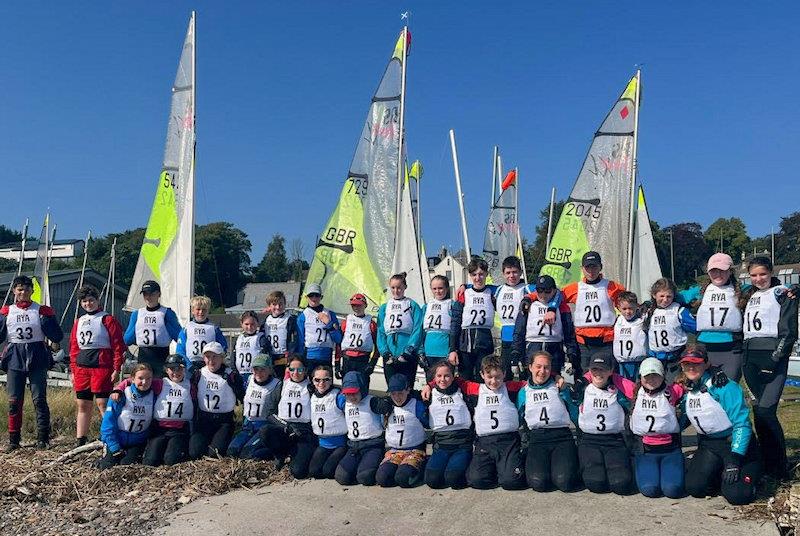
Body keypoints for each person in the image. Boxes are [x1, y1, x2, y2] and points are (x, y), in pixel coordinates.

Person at [679, 345, 761, 505]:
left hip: (735, 447)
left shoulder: (724, 386)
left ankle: (754, 471)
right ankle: (720, 474)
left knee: (738, 495)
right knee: (695, 488)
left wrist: (734, 460)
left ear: (706, 364)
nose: (691, 367)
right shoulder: (688, 388)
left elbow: (742, 425)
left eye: (696, 363)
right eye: (686, 363)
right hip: (710, 445)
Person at [740, 256, 798, 480]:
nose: (758, 279)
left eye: (762, 274)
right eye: (753, 275)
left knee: (767, 411)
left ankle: (780, 466)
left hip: (771, 354)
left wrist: (776, 358)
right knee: (758, 412)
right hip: (750, 356)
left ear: (771, 272)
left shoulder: (782, 292)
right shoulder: (750, 294)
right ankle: (766, 462)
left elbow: (789, 330)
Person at [0, 275, 64, 450]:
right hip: (15, 358)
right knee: (14, 401)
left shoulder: (40, 310)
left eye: (27, 289)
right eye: (20, 289)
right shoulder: (7, 312)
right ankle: (14, 440)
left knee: (39, 400)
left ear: (32, 291)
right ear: (14, 291)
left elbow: (57, 336)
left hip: (37, 357)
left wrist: (48, 319)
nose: (23, 292)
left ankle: (43, 438)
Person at [570, 351, 636, 495]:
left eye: (603, 369)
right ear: (589, 371)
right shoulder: (583, 391)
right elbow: (570, 406)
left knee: (621, 483)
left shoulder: (618, 390)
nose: (598, 373)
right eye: (595, 369)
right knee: (596, 483)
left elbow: (634, 400)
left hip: (614, 441)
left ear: (610, 371)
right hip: (589, 441)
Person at [112, 353, 196, 466]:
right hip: (159, 429)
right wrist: (118, 388)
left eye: (179, 368)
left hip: (180, 430)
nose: (176, 372)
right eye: (172, 369)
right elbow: (133, 381)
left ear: (184, 369)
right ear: (166, 370)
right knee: (150, 462)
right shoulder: (160, 383)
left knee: (171, 460)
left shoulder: (190, 386)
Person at [69, 284, 126, 448]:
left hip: (101, 367)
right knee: (83, 404)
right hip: (82, 368)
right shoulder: (78, 321)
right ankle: (81, 440)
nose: (88, 304)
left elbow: (117, 345)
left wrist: (117, 368)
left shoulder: (107, 319)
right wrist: (73, 370)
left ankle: (110, 437)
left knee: (103, 403)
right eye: (85, 301)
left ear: (97, 300)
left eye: (91, 300)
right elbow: (73, 347)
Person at [516, 350, 580, 492]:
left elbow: (575, 413)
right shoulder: (524, 392)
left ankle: (570, 464)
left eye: (546, 367)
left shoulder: (560, 387)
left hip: (562, 437)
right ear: (530, 367)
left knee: (565, 482)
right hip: (538, 439)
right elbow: (517, 419)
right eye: (538, 366)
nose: (542, 371)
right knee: (538, 483)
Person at [459, 356, 527, 490]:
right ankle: (497, 469)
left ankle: (513, 465)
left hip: (508, 441)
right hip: (485, 442)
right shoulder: (476, 389)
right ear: (482, 375)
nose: (494, 381)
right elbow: (456, 381)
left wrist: (556, 378)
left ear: (505, 374)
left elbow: (532, 383)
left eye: (498, 377)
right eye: (489, 377)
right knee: (477, 481)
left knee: (511, 482)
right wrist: (429, 385)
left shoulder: (511, 387)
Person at [680, 253, 744, 381]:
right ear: (708, 273)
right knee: (706, 389)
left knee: (729, 387)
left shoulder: (741, 290)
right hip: (704, 347)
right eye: (714, 271)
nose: (718, 274)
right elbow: (671, 296)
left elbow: (767, 290)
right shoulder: (700, 291)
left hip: (731, 348)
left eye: (722, 270)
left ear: (730, 271)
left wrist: (792, 289)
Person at [629, 357, 685, 498]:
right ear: (640, 376)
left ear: (663, 376)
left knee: (672, 490)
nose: (651, 379)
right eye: (647, 376)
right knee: (650, 490)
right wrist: (585, 380)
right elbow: (607, 374)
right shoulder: (633, 392)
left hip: (670, 450)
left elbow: (692, 377)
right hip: (646, 451)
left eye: (656, 375)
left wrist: (713, 371)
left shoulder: (672, 391)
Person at [562, 251, 625, 375]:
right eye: (587, 267)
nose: (591, 270)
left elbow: (630, 302)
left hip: (606, 341)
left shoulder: (611, 286)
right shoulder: (575, 288)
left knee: (608, 375)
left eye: (594, 266)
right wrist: (530, 298)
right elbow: (552, 296)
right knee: (585, 377)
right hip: (583, 343)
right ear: (582, 269)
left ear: (600, 267)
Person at [259, 355, 317, 478]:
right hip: (285, 428)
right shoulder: (282, 385)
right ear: (288, 370)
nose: (295, 373)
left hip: (304, 432)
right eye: (292, 369)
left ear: (306, 370)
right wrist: (286, 426)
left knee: (298, 472)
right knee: (265, 431)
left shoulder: (312, 387)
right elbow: (269, 413)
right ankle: (280, 455)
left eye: (300, 370)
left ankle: (296, 453)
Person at [513, 275, 577, 380]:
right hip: (532, 346)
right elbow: (519, 331)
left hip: (554, 348)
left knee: (553, 380)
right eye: (539, 290)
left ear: (553, 290)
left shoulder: (561, 307)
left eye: (547, 291)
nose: (543, 294)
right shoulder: (528, 305)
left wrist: (571, 355)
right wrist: (516, 355)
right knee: (530, 379)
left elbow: (569, 333)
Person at [421, 361, 473, 489]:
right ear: (434, 378)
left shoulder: (463, 390)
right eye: (439, 376)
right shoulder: (430, 394)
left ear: (453, 376)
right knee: (432, 481)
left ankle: (470, 465)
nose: (442, 379)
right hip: (441, 445)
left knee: (453, 479)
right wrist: (428, 385)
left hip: (462, 444)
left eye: (447, 376)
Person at [189, 342, 245, 459]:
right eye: (208, 357)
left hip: (224, 421)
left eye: (215, 356)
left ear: (222, 357)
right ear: (203, 358)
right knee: (195, 453)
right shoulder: (199, 374)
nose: (211, 360)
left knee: (215, 454)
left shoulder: (231, 375)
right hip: (204, 419)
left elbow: (243, 396)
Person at [375, 374, 429, 488]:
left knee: (403, 478)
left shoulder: (415, 405)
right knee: (382, 478)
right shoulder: (388, 406)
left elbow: (428, 423)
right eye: (393, 394)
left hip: (415, 449)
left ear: (408, 390)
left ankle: (421, 466)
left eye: (400, 393)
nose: (397, 397)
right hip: (394, 451)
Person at [97, 363, 154, 469]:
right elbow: (108, 423)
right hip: (117, 439)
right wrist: (114, 446)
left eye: (148, 378)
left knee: (127, 466)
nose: (144, 382)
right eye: (140, 378)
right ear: (132, 379)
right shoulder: (120, 396)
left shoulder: (154, 396)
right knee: (107, 466)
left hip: (137, 442)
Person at [335, 371, 386, 486]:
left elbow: (389, 407)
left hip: (372, 445)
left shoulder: (372, 401)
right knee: (341, 477)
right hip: (354, 447)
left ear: (362, 389)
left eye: (354, 393)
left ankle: (374, 464)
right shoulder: (345, 403)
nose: (351, 397)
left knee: (365, 478)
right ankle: (359, 466)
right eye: (348, 394)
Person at [450, 258, 497, 382]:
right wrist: (452, 349)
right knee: (465, 379)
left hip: (485, 341)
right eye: (474, 275)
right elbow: (455, 321)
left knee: (483, 378)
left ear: (486, 274)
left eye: (481, 274)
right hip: (465, 343)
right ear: (470, 275)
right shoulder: (464, 293)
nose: (478, 278)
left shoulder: (492, 292)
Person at [227, 353, 281, 459]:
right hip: (248, 425)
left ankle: (275, 450)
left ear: (270, 370)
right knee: (231, 452)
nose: (259, 373)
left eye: (263, 369)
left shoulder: (277, 385)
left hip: (264, 426)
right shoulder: (250, 379)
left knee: (248, 454)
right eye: (256, 369)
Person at [123, 280, 181, 377]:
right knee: (143, 385)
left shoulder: (166, 313)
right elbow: (128, 339)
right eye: (145, 294)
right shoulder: (137, 314)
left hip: (161, 356)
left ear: (158, 294)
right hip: (143, 355)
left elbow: (179, 336)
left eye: (151, 294)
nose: (148, 297)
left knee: (161, 386)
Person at [643, 278, 696, 382]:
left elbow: (696, 328)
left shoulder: (679, 311)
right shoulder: (649, 313)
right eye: (661, 296)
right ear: (654, 295)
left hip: (675, 358)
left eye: (669, 296)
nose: (665, 299)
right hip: (656, 358)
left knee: (674, 385)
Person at [377, 273, 424, 388]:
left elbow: (418, 329)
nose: (396, 290)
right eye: (393, 287)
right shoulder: (384, 307)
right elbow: (381, 333)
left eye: (399, 287)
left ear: (404, 287)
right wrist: (385, 352)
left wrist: (409, 350)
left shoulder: (413, 305)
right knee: (392, 389)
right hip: (390, 355)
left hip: (407, 355)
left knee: (407, 389)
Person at [493, 256, 532, 380]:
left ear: (520, 272)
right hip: (506, 339)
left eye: (515, 272)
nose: (512, 276)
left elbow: (553, 290)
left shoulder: (527, 288)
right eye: (508, 273)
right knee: (505, 375)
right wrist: (464, 286)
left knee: (524, 374)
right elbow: (478, 289)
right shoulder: (498, 290)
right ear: (503, 274)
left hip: (523, 338)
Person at [308, 365, 348, 479]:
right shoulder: (312, 396)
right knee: (314, 472)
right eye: (317, 380)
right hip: (323, 444)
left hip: (340, 444)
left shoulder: (338, 396)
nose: (321, 383)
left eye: (326, 380)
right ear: (312, 381)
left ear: (331, 380)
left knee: (328, 472)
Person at [336, 293, 379, 387]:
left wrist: (372, 363)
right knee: (347, 387)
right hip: (348, 360)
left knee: (362, 387)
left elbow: (377, 345)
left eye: (359, 305)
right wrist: (337, 364)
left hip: (363, 360)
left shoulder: (371, 323)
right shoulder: (346, 321)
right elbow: (338, 344)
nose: (356, 307)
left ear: (365, 305)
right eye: (353, 305)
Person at [297, 283, 342, 371]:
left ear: (321, 297)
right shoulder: (303, 316)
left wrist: (329, 324)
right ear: (306, 297)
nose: (314, 298)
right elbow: (300, 341)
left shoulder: (330, 314)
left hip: (326, 356)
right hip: (309, 357)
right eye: (311, 295)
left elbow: (338, 339)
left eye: (317, 295)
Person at [420, 275, 458, 378]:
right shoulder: (426, 307)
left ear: (446, 288)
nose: (438, 291)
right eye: (434, 289)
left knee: (445, 382)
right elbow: (421, 332)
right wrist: (421, 352)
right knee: (431, 383)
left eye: (440, 288)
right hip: (429, 352)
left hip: (445, 352)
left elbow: (456, 329)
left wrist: (453, 350)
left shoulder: (452, 305)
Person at [176, 295, 227, 373]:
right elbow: (180, 351)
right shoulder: (186, 328)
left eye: (204, 310)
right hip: (191, 365)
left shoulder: (214, 328)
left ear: (208, 310)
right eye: (198, 309)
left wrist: (216, 363)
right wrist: (189, 366)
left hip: (208, 364)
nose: (201, 312)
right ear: (192, 311)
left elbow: (223, 347)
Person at [262, 290, 299, 379]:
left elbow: (293, 338)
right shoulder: (266, 320)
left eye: (281, 304)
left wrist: (291, 353)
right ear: (269, 306)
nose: (278, 307)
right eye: (274, 304)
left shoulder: (289, 319)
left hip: (284, 355)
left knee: (285, 379)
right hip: (271, 355)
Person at [612, 291, 647, 381]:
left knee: (638, 388)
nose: (628, 312)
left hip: (639, 362)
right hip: (622, 363)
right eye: (624, 309)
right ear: (619, 308)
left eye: (630, 308)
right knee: (625, 389)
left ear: (636, 306)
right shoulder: (617, 320)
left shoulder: (642, 320)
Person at [233, 310, 265, 387]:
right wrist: (234, 372)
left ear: (257, 323)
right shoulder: (238, 338)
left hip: (256, 374)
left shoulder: (260, 338)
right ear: (242, 324)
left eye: (252, 324)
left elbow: (266, 355)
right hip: (240, 375)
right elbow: (233, 357)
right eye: (246, 324)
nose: (249, 327)